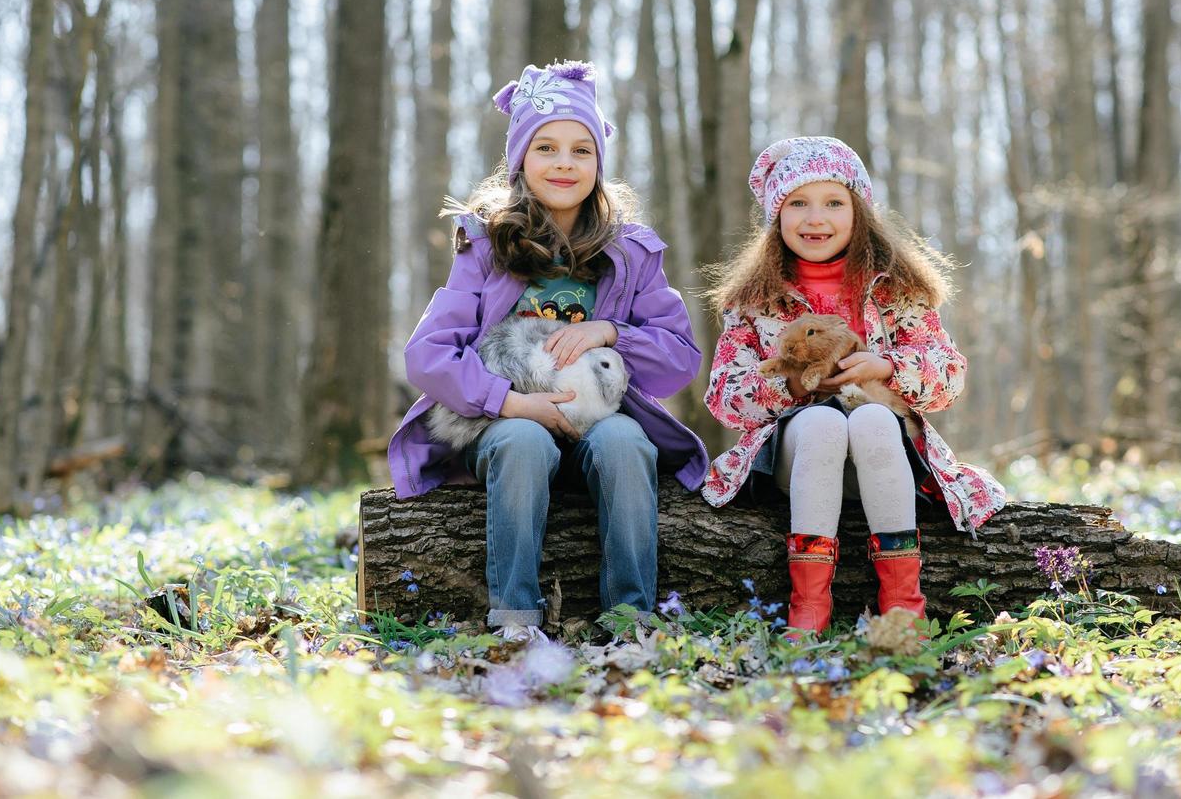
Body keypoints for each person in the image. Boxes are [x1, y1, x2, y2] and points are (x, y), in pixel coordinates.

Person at [387, 61, 708, 640]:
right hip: (507, 422)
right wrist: (509, 403)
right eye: (547, 147)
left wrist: (610, 331)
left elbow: (680, 355)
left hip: (598, 421)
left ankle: (630, 618)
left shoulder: (630, 253)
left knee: (627, 442)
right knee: (524, 441)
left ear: (599, 164)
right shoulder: (486, 244)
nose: (564, 163)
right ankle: (515, 619)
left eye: (581, 150)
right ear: (520, 160)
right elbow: (428, 355)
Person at [702, 136, 1006, 633]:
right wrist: (798, 386)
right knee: (821, 422)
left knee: (870, 418)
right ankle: (809, 606)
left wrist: (884, 367)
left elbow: (948, 376)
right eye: (797, 203)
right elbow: (725, 398)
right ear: (777, 217)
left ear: (858, 212)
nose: (814, 218)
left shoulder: (895, 287)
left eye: (833, 203)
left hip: (887, 457)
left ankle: (904, 605)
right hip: (801, 460)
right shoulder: (757, 300)